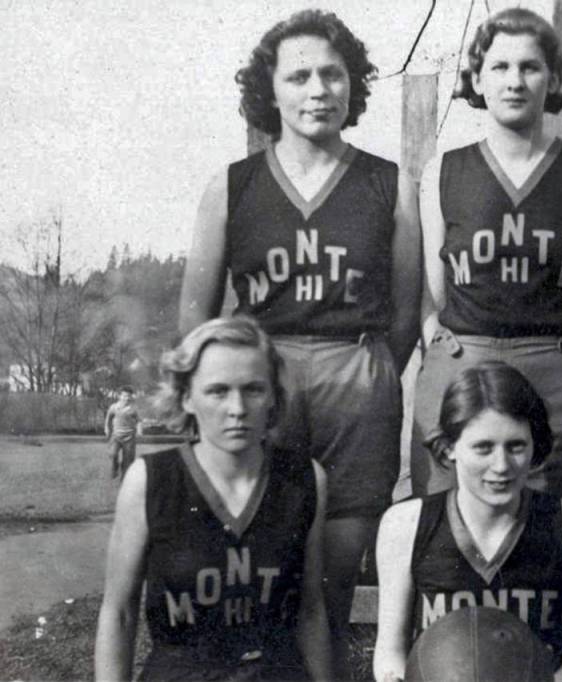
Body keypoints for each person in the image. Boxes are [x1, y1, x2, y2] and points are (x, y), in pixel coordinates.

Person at [176, 10, 420, 674]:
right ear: (272, 90)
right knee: (257, 572)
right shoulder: (231, 186)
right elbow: (195, 318)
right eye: (300, 75)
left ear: (353, 86)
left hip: (357, 377)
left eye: (333, 75)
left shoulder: (390, 184)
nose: (318, 90)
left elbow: (406, 313)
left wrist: (366, 374)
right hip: (261, 381)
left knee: (334, 585)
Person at [411, 7, 562, 506]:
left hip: (553, 367)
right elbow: (430, 297)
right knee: (447, 521)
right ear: (477, 79)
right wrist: (444, 352)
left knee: (554, 527)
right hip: (465, 360)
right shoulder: (445, 170)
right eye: (500, 67)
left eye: (530, 67)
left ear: (552, 79)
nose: (515, 81)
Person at [94, 316, 330, 681]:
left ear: (273, 396)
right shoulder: (150, 480)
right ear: (187, 397)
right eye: (218, 391)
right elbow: (119, 613)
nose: (237, 408)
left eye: (253, 389)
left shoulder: (305, 479)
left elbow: (311, 611)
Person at [375, 362, 562, 682]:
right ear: (449, 448)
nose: (501, 465)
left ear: (535, 446)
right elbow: (389, 651)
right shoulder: (406, 524)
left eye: (516, 447)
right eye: (483, 448)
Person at [105, 386, 140, 481]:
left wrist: (140, 430)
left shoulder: (133, 408)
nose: (127, 398)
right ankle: (115, 467)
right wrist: (107, 428)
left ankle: (124, 479)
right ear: (119, 396)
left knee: (128, 460)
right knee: (112, 454)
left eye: (129, 396)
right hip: (116, 436)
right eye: (124, 396)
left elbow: (138, 420)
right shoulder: (114, 407)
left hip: (129, 437)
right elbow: (108, 418)